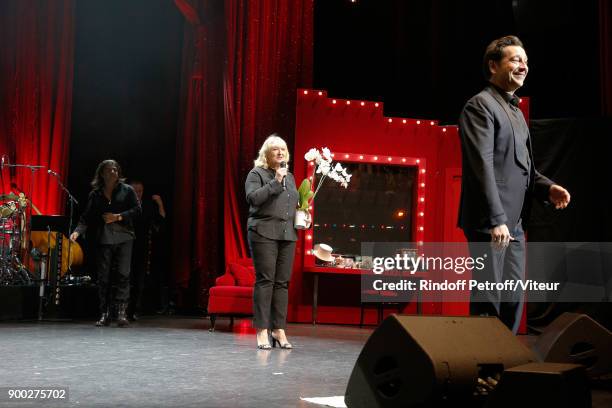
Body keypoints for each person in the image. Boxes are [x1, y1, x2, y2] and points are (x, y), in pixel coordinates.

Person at [458, 35, 571, 334]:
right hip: (490, 222)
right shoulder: (479, 106)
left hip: (515, 224)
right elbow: (480, 166)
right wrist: (496, 220)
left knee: (512, 296)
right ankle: (482, 368)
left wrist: (547, 188)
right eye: (515, 60)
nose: (523, 66)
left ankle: (501, 361)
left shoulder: (516, 112)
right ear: (493, 65)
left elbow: (525, 168)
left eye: (526, 61)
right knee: (490, 295)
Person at [245, 134, 302, 349]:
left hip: (287, 234)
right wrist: (276, 181)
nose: (280, 152)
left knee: (282, 283)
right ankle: (262, 330)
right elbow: (253, 199)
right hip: (263, 232)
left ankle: (279, 329)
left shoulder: (292, 177)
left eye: (283, 149)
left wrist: (301, 214)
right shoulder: (256, 173)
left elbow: (291, 204)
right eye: (275, 149)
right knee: (266, 280)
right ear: (266, 153)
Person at [70, 160, 141, 327]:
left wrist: (118, 216)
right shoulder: (96, 194)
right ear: (102, 173)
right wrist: (77, 231)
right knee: (104, 277)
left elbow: (137, 210)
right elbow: (86, 217)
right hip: (105, 238)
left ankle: (122, 313)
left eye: (116, 169)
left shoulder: (127, 190)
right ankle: (105, 313)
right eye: (109, 169)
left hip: (125, 237)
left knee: (123, 274)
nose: (113, 171)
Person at [128, 180, 166, 321]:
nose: (137, 193)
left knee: (138, 280)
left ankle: (133, 310)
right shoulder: (124, 205)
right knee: (124, 279)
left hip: (141, 247)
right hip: (124, 246)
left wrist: (160, 203)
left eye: (140, 191)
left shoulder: (148, 206)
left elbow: (160, 222)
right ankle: (118, 309)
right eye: (134, 190)